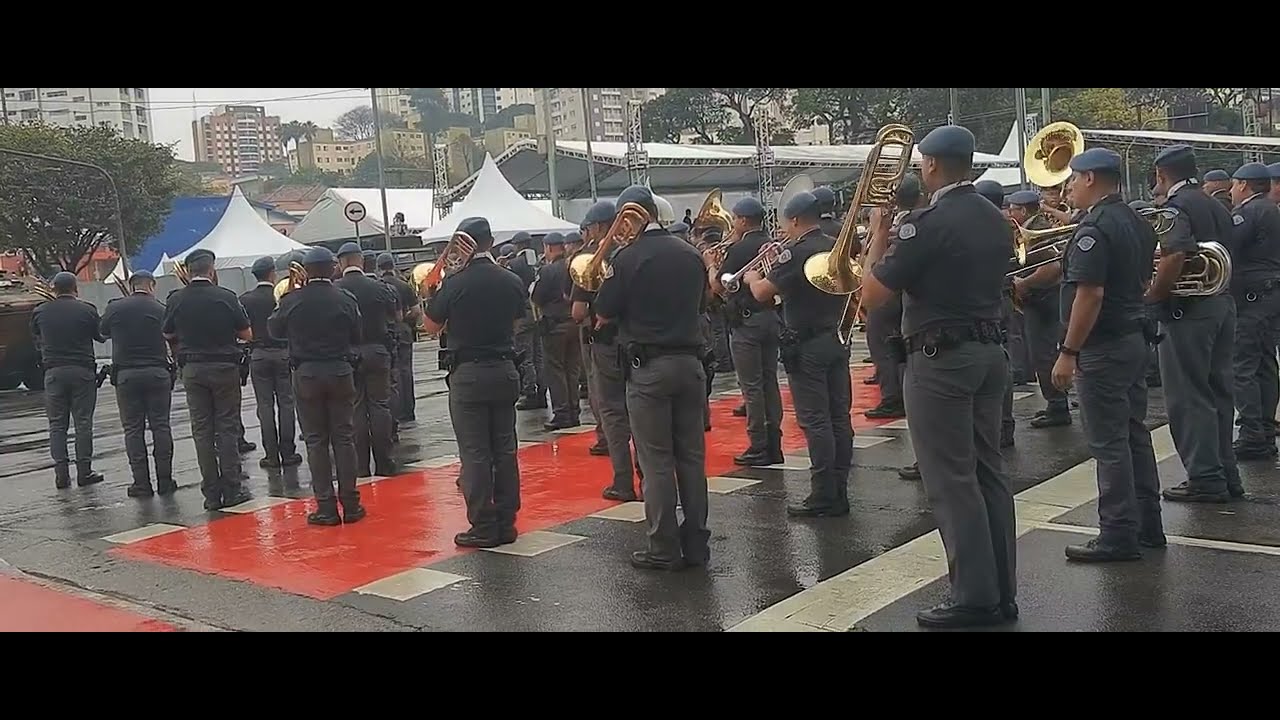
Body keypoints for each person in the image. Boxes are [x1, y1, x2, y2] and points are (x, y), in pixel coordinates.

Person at [860, 124, 1015, 628]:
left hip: (941, 360)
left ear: (929, 165)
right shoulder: (995, 215)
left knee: (951, 480)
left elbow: (871, 295)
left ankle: (973, 596)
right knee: (988, 473)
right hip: (989, 353)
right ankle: (1000, 590)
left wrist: (880, 233)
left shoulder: (927, 223)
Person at [1040, 147, 1165, 562]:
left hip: (1104, 346)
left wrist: (1068, 351)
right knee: (1133, 433)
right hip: (1131, 338)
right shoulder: (1134, 219)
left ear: (1090, 178)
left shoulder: (1095, 227)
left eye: (1073, 178)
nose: (1069, 186)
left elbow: (1090, 294)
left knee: (1109, 442)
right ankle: (1148, 524)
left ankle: (1116, 532)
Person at [596, 185, 709, 571]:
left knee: (657, 460)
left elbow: (604, 310)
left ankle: (663, 545)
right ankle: (696, 542)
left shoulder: (626, 258)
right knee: (692, 458)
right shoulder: (691, 254)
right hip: (690, 363)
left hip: (649, 368)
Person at [747, 191, 853, 518]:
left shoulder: (795, 253)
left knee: (816, 419)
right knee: (839, 416)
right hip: (835, 336)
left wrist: (754, 275)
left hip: (806, 343)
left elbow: (764, 293)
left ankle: (823, 492)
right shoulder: (836, 244)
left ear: (794, 220)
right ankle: (839, 487)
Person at [423, 218, 528, 547]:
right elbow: (518, 321)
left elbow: (430, 326)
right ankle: (507, 521)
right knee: (505, 448)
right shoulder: (511, 279)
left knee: (475, 453)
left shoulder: (454, 283)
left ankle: (483, 524)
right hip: (505, 368)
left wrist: (430, 295)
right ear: (491, 241)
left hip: (468, 372)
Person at [1150, 144, 1241, 503]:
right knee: (1219, 392)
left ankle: (1204, 476)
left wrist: (1155, 293)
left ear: (1161, 174)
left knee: (1188, 395)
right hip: (1222, 305)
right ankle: (1226, 472)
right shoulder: (1214, 203)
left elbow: (1174, 254)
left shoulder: (1176, 207)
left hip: (1188, 311)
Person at [269, 246, 366, 525]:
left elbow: (274, 330)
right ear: (333, 268)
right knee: (344, 439)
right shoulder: (345, 298)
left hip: (307, 374)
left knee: (316, 441)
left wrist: (290, 296)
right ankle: (351, 504)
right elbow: (357, 334)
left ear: (306, 271)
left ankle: (325, 506)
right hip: (340, 371)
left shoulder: (292, 299)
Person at [162, 249, 253, 510]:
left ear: (189, 271)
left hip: (193, 369)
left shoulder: (177, 299)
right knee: (226, 427)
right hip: (224, 367)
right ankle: (233, 488)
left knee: (202, 431)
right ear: (212, 270)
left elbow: (167, 333)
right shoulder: (226, 296)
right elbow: (247, 334)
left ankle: (211, 494)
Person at [571, 200, 641, 500]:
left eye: (589, 228)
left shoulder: (592, 259)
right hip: (639, 342)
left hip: (605, 343)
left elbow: (577, 310)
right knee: (641, 411)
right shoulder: (636, 251)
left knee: (612, 412)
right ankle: (647, 477)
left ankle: (623, 481)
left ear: (598, 227)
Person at [708, 196, 784, 466]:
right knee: (769, 381)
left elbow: (718, 287)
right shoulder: (772, 244)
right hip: (770, 317)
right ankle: (774, 441)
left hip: (747, 322)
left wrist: (711, 265)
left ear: (742, 220)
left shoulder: (740, 249)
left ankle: (759, 444)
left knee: (751, 386)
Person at [100, 270, 175, 497]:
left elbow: (102, 332)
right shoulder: (161, 308)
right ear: (151, 285)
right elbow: (172, 334)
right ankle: (165, 480)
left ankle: (141, 483)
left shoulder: (115, 308)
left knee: (133, 429)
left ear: (131, 286)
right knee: (160, 426)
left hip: (126, 375)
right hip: (157, 372)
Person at [30, 271, 105, 490]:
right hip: (82, 372)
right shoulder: (87, 309)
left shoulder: (40, 311)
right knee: (83, 423)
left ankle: (61, 475)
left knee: (57, 425)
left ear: (54, 288)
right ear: (76, 288)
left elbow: (35, 336)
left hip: (53, 372)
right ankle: (85, 472)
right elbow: (100, 335)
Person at [1226, 162, 1280, 460]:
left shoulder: (1249, 212)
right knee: (1265, 363)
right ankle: (1265, 427)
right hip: (1270, 293)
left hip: (1253, 298)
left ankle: (1251, 433)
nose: (1232, 191)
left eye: (1234, 185)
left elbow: (1230, 243)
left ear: (1244, 185)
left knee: (1244, 365)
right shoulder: (1271, 209)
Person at [1007, 189, 1072, 428]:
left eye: (1013, 208)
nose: (1010, 212)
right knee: (1043, 354)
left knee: (1042, 355)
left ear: (1024, 211)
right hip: (1044, 299)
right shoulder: (1037, 226)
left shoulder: (1038, 230)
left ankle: (1057, 406)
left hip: (1044, 300)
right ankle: (1056, 403)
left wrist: (1024, 283)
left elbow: (1052, 268)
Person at [863, 176, 926, 420]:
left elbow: (873, 269)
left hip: (887, 293)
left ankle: (891, 397)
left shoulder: (897, 226)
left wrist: (877, 232)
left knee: (882, 347)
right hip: (904, 296)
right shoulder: (924, 219)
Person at [336, 242, 399, 477]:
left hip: (350, 354)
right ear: (361, 260)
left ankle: (361, 465)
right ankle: (385, 461)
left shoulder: (337, 289)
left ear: (342, 263)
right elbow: (395, 317)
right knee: (380, 405)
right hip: (378, 350)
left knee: (357, 407)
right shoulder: (379, 287)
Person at [238, 257, 301, 470]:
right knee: (286, 403)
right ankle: (288, 451)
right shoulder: (282, 296)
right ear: (272, 273)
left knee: (264, 406)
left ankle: (270, 455)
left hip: (258, 354)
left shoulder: (245, 299)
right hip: (282, 352)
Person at [531, 231, 581, 429]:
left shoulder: (547, 271)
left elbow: (537, 296)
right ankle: (574, 410)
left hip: (554, 325)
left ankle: (562, 412)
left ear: (549, 248)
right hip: (573, 323)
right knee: (573, 369)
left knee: (556, 370)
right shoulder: (573, 266)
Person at [379, 252, 420, 424]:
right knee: (406, 371)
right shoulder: (404, 286)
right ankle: (408, 411)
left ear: (379, 268)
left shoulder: (379, 286)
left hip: (386, 332)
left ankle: (394, 412)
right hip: (403, 332)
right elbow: (417, 311)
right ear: (393, 265)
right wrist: (406, 318)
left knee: (390, 375)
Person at [507, 231, 543, 409]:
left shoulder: (515, 263)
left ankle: (530, 392)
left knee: (525, 355)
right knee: (538, 355)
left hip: (522, 312)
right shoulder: (538, 261)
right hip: (537, 311)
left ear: (518, 245)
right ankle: (542, 391)